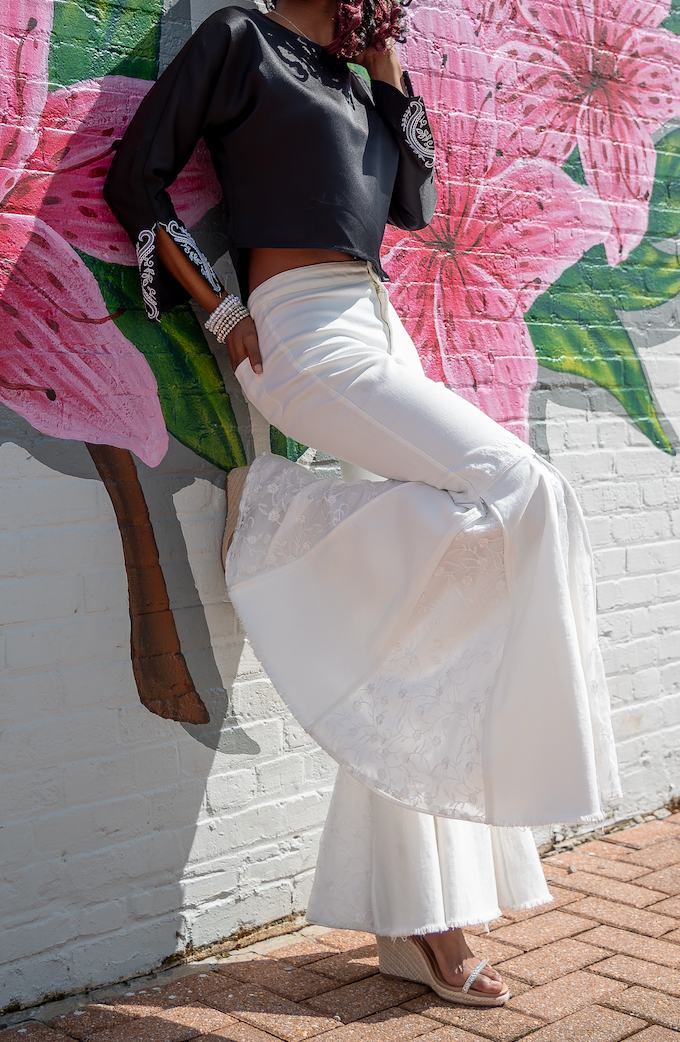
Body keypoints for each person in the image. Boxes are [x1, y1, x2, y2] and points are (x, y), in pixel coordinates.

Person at [104, 0, 622, 1006]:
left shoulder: (351, 76)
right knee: (524, 488)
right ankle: (280, 520)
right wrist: (216, 308)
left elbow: (415, 203)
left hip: (377, 325)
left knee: (416, 635)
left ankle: (423, 919)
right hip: (298, 330)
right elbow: (134, 177)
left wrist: (384, 67)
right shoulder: (236, 40)